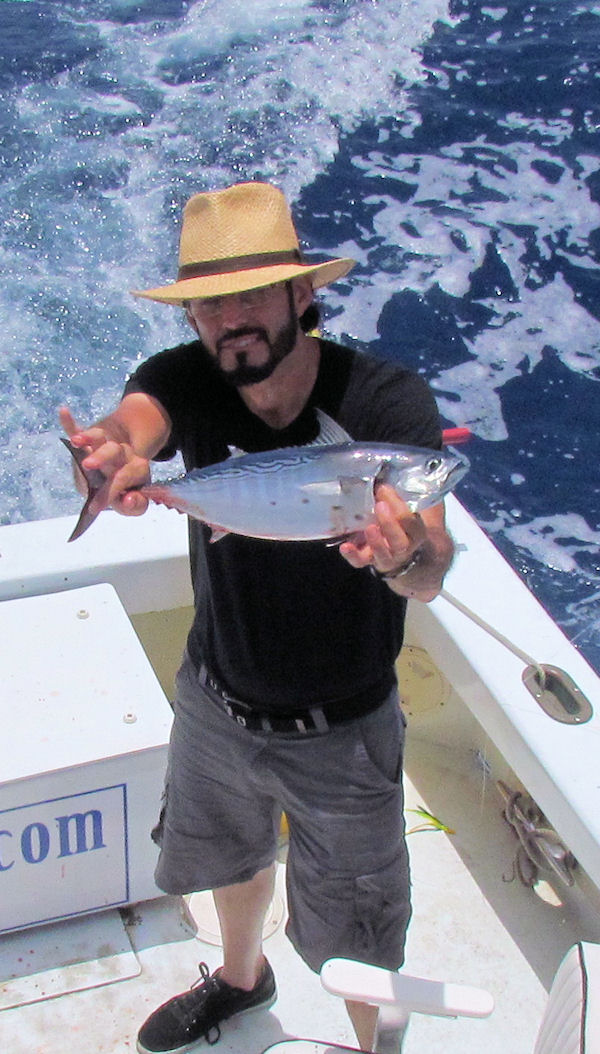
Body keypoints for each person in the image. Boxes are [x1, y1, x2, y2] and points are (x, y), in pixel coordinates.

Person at [60, 181, 455, 1054]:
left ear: (302, 294)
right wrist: (112, 456)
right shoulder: (183, 378)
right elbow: (136, 424)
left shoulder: (385, 404)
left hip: (343, 730)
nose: (227, 320)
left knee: (360, 937)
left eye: (249, 295)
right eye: (207, 304)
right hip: (215, 699)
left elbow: (430, 562)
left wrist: (403, 557)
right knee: (225, 859)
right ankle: (243, 979)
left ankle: (372, 1051)